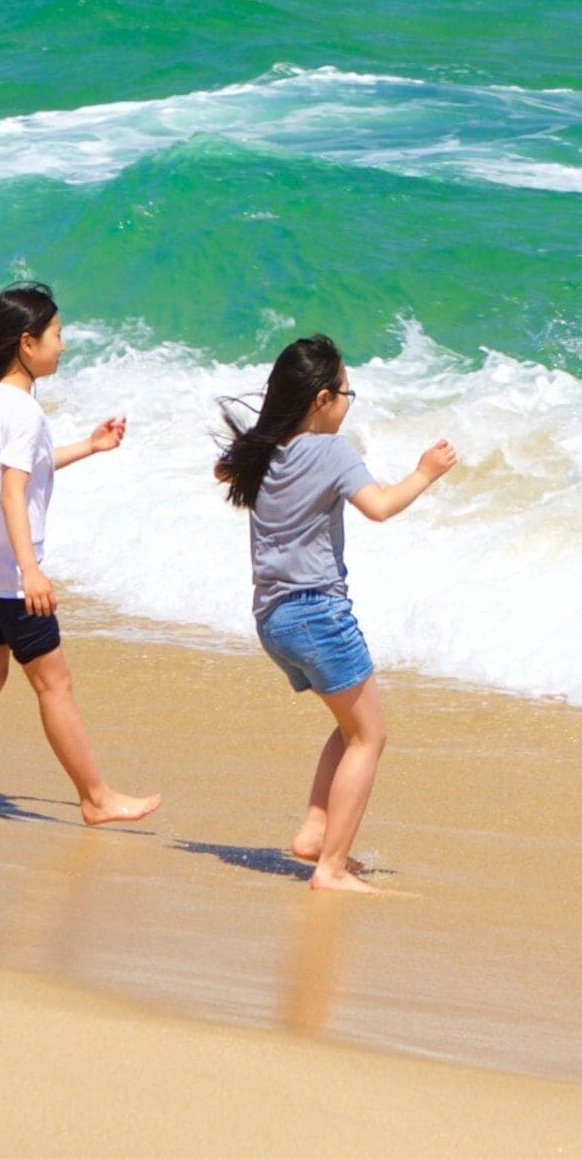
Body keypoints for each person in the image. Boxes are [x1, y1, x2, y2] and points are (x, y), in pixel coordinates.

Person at [217, 335, 456, 892]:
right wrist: (425, 471)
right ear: (322, 398)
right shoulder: (332, 450)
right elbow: (378, 507)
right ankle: (330, 867)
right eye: (347, 391)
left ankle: (314, 834)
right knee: (369, 737)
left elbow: (222, 471)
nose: (349, 402)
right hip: (318, 614)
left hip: (273, 619)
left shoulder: (261, 452)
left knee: (350, 726)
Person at [0, 284, 159, 826]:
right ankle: (96, 799)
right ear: (27, 342)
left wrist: (91, 447)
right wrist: (30, 570)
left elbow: (24, 470)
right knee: (54, 683)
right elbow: (10, 493)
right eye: (57, 335)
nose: (63, 346)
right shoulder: (21, 411)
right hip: (4, 573)